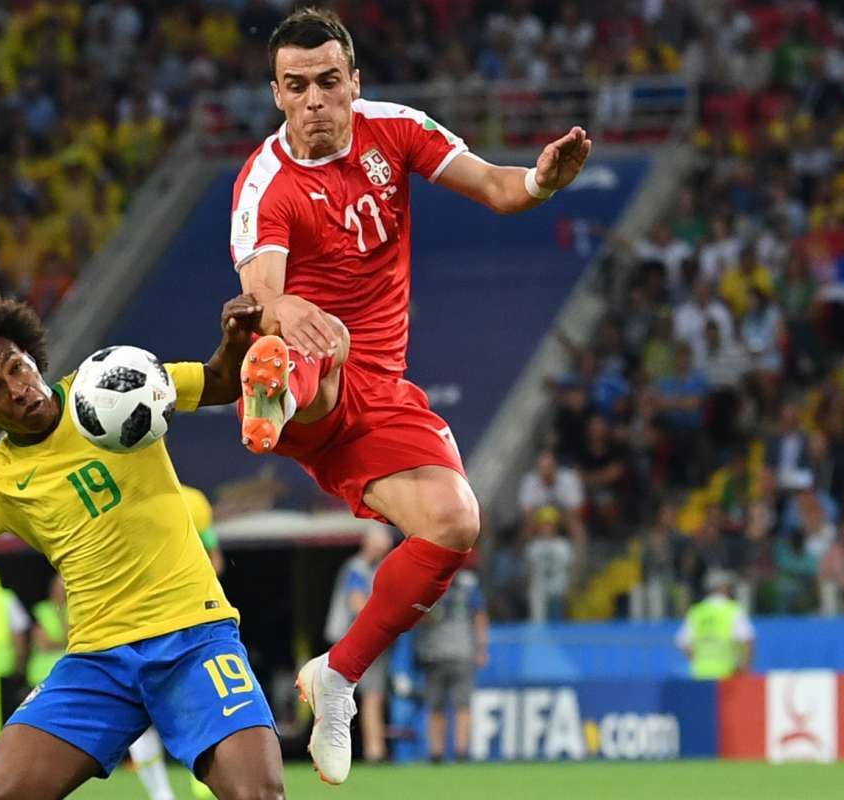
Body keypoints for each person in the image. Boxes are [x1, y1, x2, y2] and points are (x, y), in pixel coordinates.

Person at [228, 8, 591, 783]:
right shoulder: (266, 182)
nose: (317, 100)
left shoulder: (394, 130)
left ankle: (337, 676)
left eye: (330, 82)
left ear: (354, 82)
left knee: (456, 521)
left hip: (380, 399)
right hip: (311, 375)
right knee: (300, 339)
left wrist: (538, 180)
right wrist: (284, 310)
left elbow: (496, 187)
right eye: (298, 87)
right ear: (277, 94)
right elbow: (260, 290)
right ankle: (272, 399)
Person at [0, 293, 284, 800]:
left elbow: (222, 382)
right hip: (98, 661)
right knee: (0, 793)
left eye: (17, 368)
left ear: (34, 357)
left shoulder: (112, 379)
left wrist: (233, 341)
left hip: (193, 638)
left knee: (258, 793)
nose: (16, 389)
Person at [323, 526, 394, 764]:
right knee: (368, 697)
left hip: (361, 641)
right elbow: (357, 604)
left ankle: (371, 749)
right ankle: (373, 751)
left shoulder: (370, 568)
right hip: (357, 641)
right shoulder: (358, 568)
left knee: (363, 698)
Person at [413, 563, 488, 763]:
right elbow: (416, 616)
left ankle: (460, 751)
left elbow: (479, 616)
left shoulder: (465, 583)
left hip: (455, 651)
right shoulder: (432, 582)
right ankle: (438, 753)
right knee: (438, 705)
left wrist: (480, 648)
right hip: (436, 652)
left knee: (459, 704)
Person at [675, 570, 755, 679]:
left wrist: (698, 660)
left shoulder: (697, 611)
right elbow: (747, 640)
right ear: (723, 587)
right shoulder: (732, 610)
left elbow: (683, 642)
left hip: (700, 674)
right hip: (728, 674)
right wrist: (745, 668)